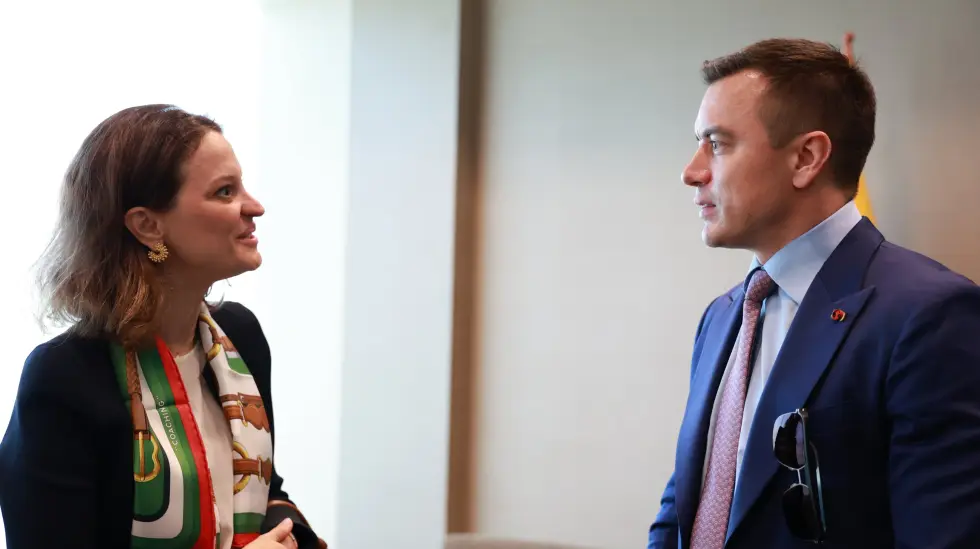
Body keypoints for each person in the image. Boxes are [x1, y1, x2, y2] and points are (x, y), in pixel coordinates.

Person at [648, 38, 980, 549]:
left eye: (717, 144)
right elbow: (686, 504)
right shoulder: (722, 315)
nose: (691, 171)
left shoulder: (929, 315)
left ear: (807, 157)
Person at [0, 105, 327, 549]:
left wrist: (292, 538)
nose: (255, 207)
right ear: (148, 225)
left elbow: (262, 488)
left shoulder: (241, 335)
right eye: (225, 192)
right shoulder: (64, 375)